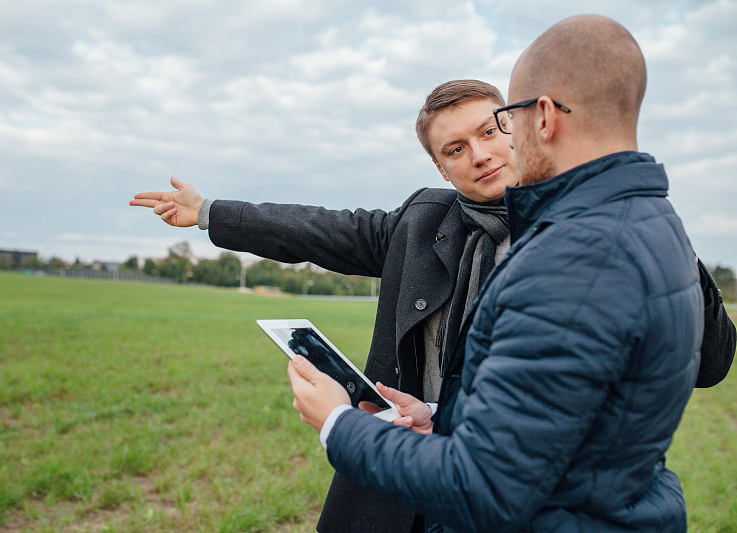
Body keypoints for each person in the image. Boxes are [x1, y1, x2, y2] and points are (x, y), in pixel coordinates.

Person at [130, 78, 735, 531]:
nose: (478, 154)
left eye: (490, 131)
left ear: (521, 127)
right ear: (441, 168)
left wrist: (650, 221)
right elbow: (318, 228)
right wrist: (209, 213)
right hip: (404, 469)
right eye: (454, 149)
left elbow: (708, 361)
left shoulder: (590, 235)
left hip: (520, 491)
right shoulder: (422, 222)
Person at [286, 15, 721, 532]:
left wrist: (338, 422)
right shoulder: (650, 217)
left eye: (502, 121)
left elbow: (483, 488)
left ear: (541, 117)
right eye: (455, 148)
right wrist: (439, 418)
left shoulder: (569, 259)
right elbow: (562, 423)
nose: (489, 149)